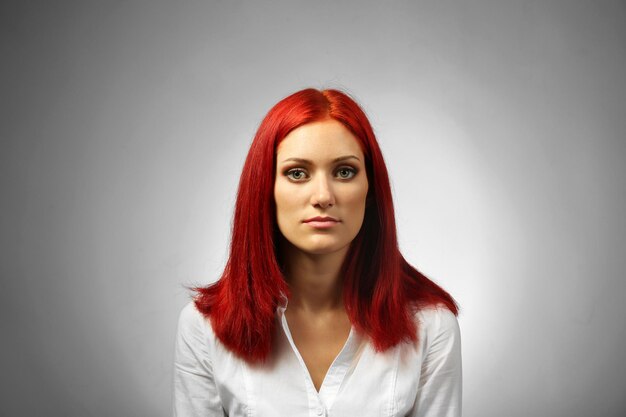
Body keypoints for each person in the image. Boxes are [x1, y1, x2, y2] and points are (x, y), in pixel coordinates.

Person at [173, 88, 462, 417]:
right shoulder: (203, 328)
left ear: (370, 191)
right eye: (297, 173)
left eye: (344, 172)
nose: (323, 196)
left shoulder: (431, 326)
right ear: (265, 189)